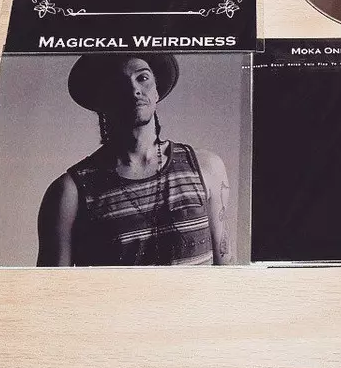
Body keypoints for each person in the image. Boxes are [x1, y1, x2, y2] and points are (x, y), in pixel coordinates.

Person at [37, 53, 232, 266]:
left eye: (142, 78)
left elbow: (226, 267)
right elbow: (54, 284)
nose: (134, 90)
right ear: (102, 99)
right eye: (117, 83)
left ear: (156, 91)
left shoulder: (206, 167)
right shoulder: (69, 192)